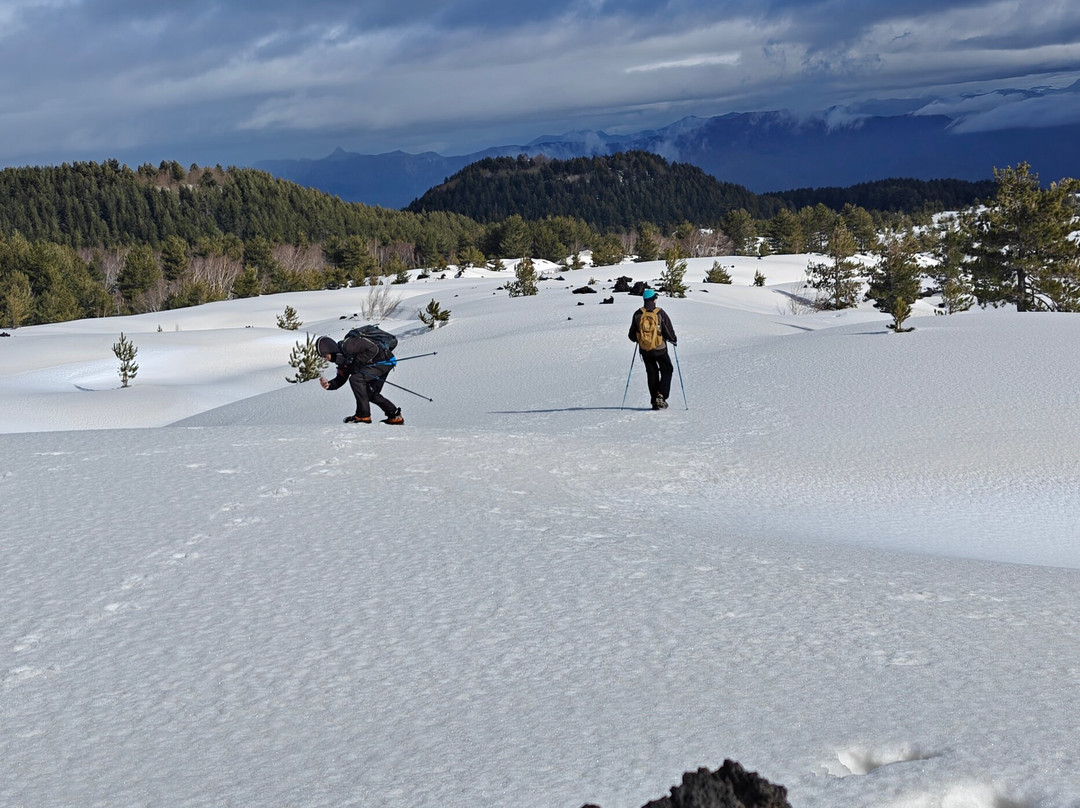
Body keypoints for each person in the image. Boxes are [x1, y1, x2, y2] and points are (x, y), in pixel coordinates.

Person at [317, 334, 404, 425]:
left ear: (330, 350)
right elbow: (341, 378)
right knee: (369, 393)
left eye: (325, 355)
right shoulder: (341, 360)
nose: (325, 359)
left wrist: (356, 363)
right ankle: (394, 415)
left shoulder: (349, 345)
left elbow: (373, 348)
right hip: (382, 363)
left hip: (384, 361)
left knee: (356, 379)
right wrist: (329, 385)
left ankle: (363, 416)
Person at [628, 288, 677, 410]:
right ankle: (661, 395)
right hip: (660, 348)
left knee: (652, 373)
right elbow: (668, 330)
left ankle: (654, 402)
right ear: (654, 299)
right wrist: (673, 340)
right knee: (667, 369)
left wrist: (640, 339)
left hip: (645, 350)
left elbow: (631, 335)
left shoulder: (638, 314)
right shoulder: (660, 313)